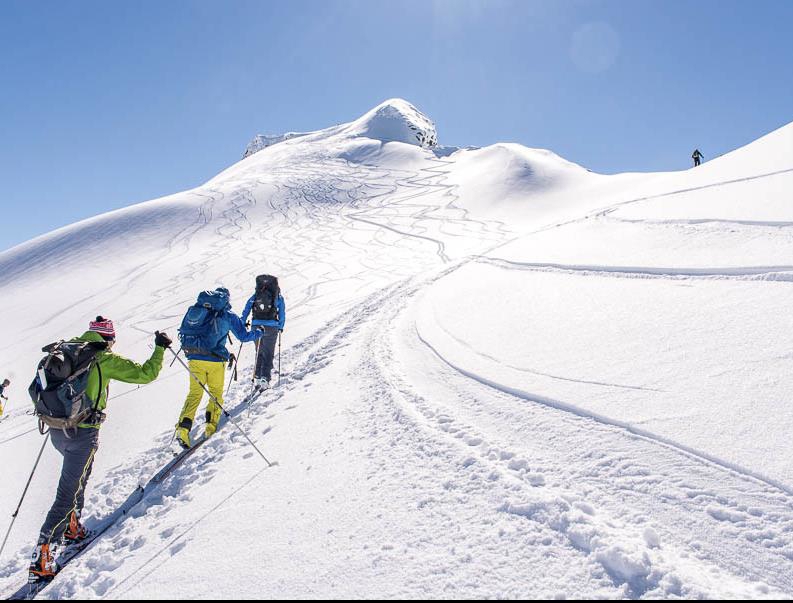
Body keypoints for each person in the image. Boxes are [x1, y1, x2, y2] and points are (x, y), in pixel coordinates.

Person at [29, 317, 172, 582]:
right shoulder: (102, 358)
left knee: (78, 478)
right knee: (67, 493)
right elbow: (145, 374)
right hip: (82, 432)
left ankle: (72, 527)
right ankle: (43, 555)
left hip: (57, 429)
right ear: (108, 339)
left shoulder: (65, 350)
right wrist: (159, 348)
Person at [175, 287, 262, 449]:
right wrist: (258, 333)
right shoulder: (228, 316)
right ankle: (210, 425)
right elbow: (243, 336)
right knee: (215, 393)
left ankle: (183, 429)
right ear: (226, 300)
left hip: (193, 358)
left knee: (194, 394)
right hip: (215, 361)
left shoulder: (198, 312)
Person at [241, 275, 286, 389]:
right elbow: (282, 314)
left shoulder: (255, 296)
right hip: (271, 327)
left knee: (259, 352)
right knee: (268, 353)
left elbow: (246, 308)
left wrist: (242, 322)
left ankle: (257, 376)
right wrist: (280, 326)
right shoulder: (278, 297)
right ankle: (265, 379)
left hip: (256, 326)